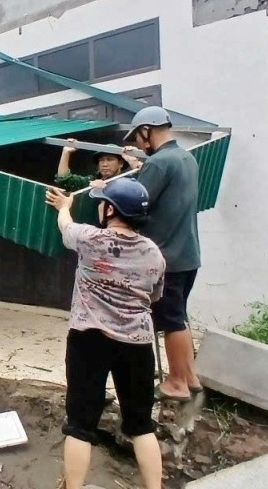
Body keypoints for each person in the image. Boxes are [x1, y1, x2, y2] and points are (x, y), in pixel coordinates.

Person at [46, 179, 165, 489]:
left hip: (89, 340)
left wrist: (65, 206)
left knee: (80, 424)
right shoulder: (154, 254)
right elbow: (154, 297)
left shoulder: (90, 239)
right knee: (141, 424)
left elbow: (65, 226)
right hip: (137, 344)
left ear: (110, 209)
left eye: (102, 201)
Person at [100, 105, 202, 402]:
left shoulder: (159, 163)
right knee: (180, 317)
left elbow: (136, 204)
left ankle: (176, 383)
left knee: (171, 321)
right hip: (188, 253)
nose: (139, 143)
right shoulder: (187, 158)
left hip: (166, 256)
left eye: (139, 136)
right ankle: (190, 377)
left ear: (148, 130)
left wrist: (106, 191)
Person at [55, 138, 131, 192]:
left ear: (120, 163)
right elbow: (65, 180)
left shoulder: (128, 183)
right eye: (101, 160)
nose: (105, 164)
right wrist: (66, 152)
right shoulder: (92, 180)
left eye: (109, 159)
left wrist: (105, 189)